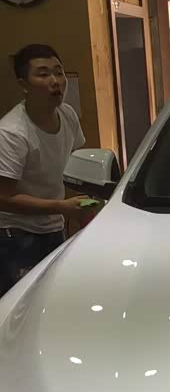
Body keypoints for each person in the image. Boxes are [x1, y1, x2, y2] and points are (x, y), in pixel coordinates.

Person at [0, 44, 92, 297]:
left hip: (54, 225)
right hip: (14, 233)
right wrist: (61, 206)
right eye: (43, 74)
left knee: (56, 296)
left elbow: (74, 168)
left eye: (59, 72)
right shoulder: (11, 133)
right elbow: (3, 198)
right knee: (23, 302)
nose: (55, 81)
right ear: (24, 84)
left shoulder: (67, 114)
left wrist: (84, 206)